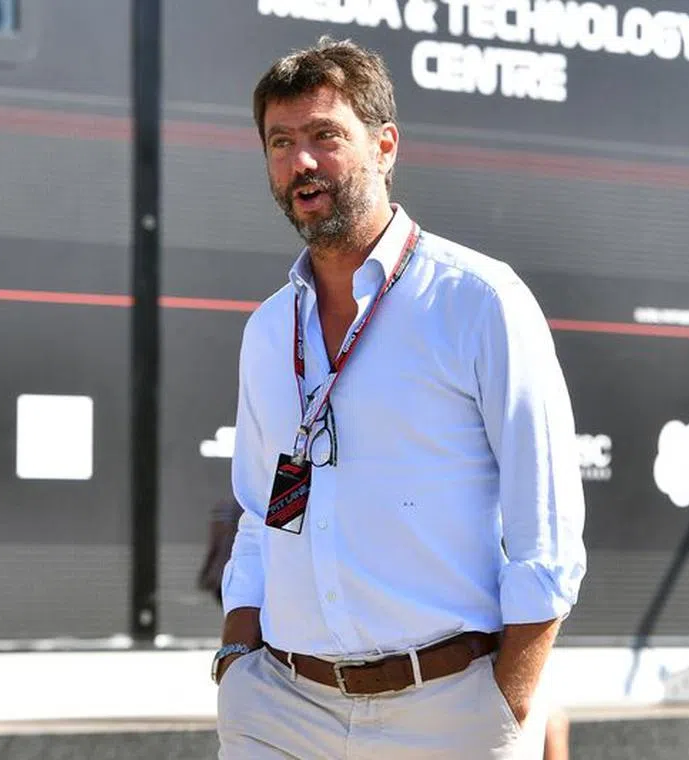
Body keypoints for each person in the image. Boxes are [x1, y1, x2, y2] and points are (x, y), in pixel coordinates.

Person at [213, 37, 586, 759]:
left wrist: (507, 703)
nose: (302, 162)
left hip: (449, 713)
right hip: (281, 709)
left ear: (384, 146)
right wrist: (237, 660)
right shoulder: (268, 332)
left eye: (326, 135)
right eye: (281, 142)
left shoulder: (478, 301)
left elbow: (547, 530)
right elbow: (266, 513)